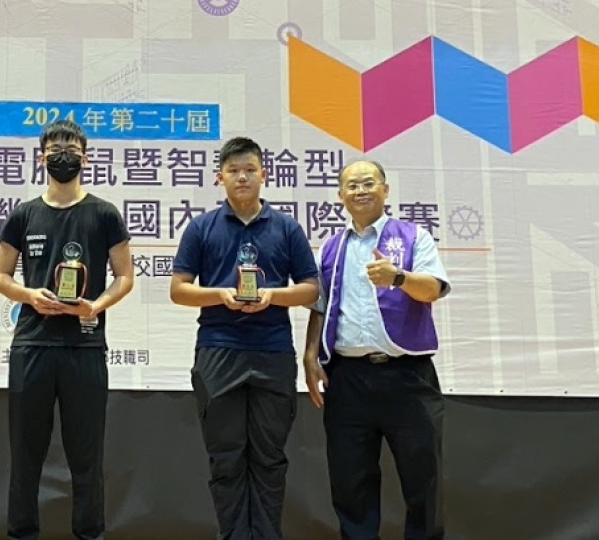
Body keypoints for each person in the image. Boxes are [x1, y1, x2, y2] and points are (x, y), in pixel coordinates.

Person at [169, 136, 319, 539]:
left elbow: (311, 289)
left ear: (264, 175)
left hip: (273, 351)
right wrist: (220, 295)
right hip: (219, 349)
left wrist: (273, 296)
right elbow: (179, 290)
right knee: (226, 458)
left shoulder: (286, 227)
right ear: (219, 177)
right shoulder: (202, 227)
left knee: (270, 458)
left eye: (250, 170)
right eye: (233, 171)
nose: (242, 177)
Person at [0, 120, 134, 540]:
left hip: (84, 346)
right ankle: (21, 534)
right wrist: (28, 295)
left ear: (85, 158)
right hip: (32, 345)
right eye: (55, 149)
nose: (63, 154)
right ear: (42, 158)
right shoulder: (23, 214)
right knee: (25, 455)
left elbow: (125, 276)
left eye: (71, 148)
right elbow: (1, 276)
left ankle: (90, 534)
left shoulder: (104, 213)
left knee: (87, 457)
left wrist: (97, 305)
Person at [303, 160, 450, 540]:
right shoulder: (331, 248)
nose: (361, 191)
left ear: (385, 190)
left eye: (368, 183)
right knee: (351, 482)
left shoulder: (414, 237)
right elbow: (320, 306)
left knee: (423, 478)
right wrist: (310, 354)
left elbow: (433, 289)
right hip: (348, 378)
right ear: (341, 196)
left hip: (408, 376)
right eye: (352, 185)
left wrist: (398, 277)